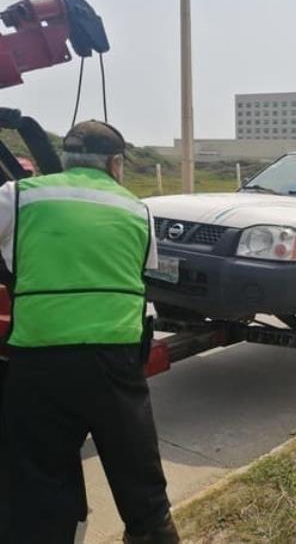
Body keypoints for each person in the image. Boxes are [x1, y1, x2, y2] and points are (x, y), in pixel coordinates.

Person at [0, 121, 179, 543]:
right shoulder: (137, 209)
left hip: (38, 359)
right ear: (116, 164)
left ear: (66, 159)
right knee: (141, 481)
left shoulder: (19, 196)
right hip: (115, 363)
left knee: (38, 480)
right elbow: (140, 271)